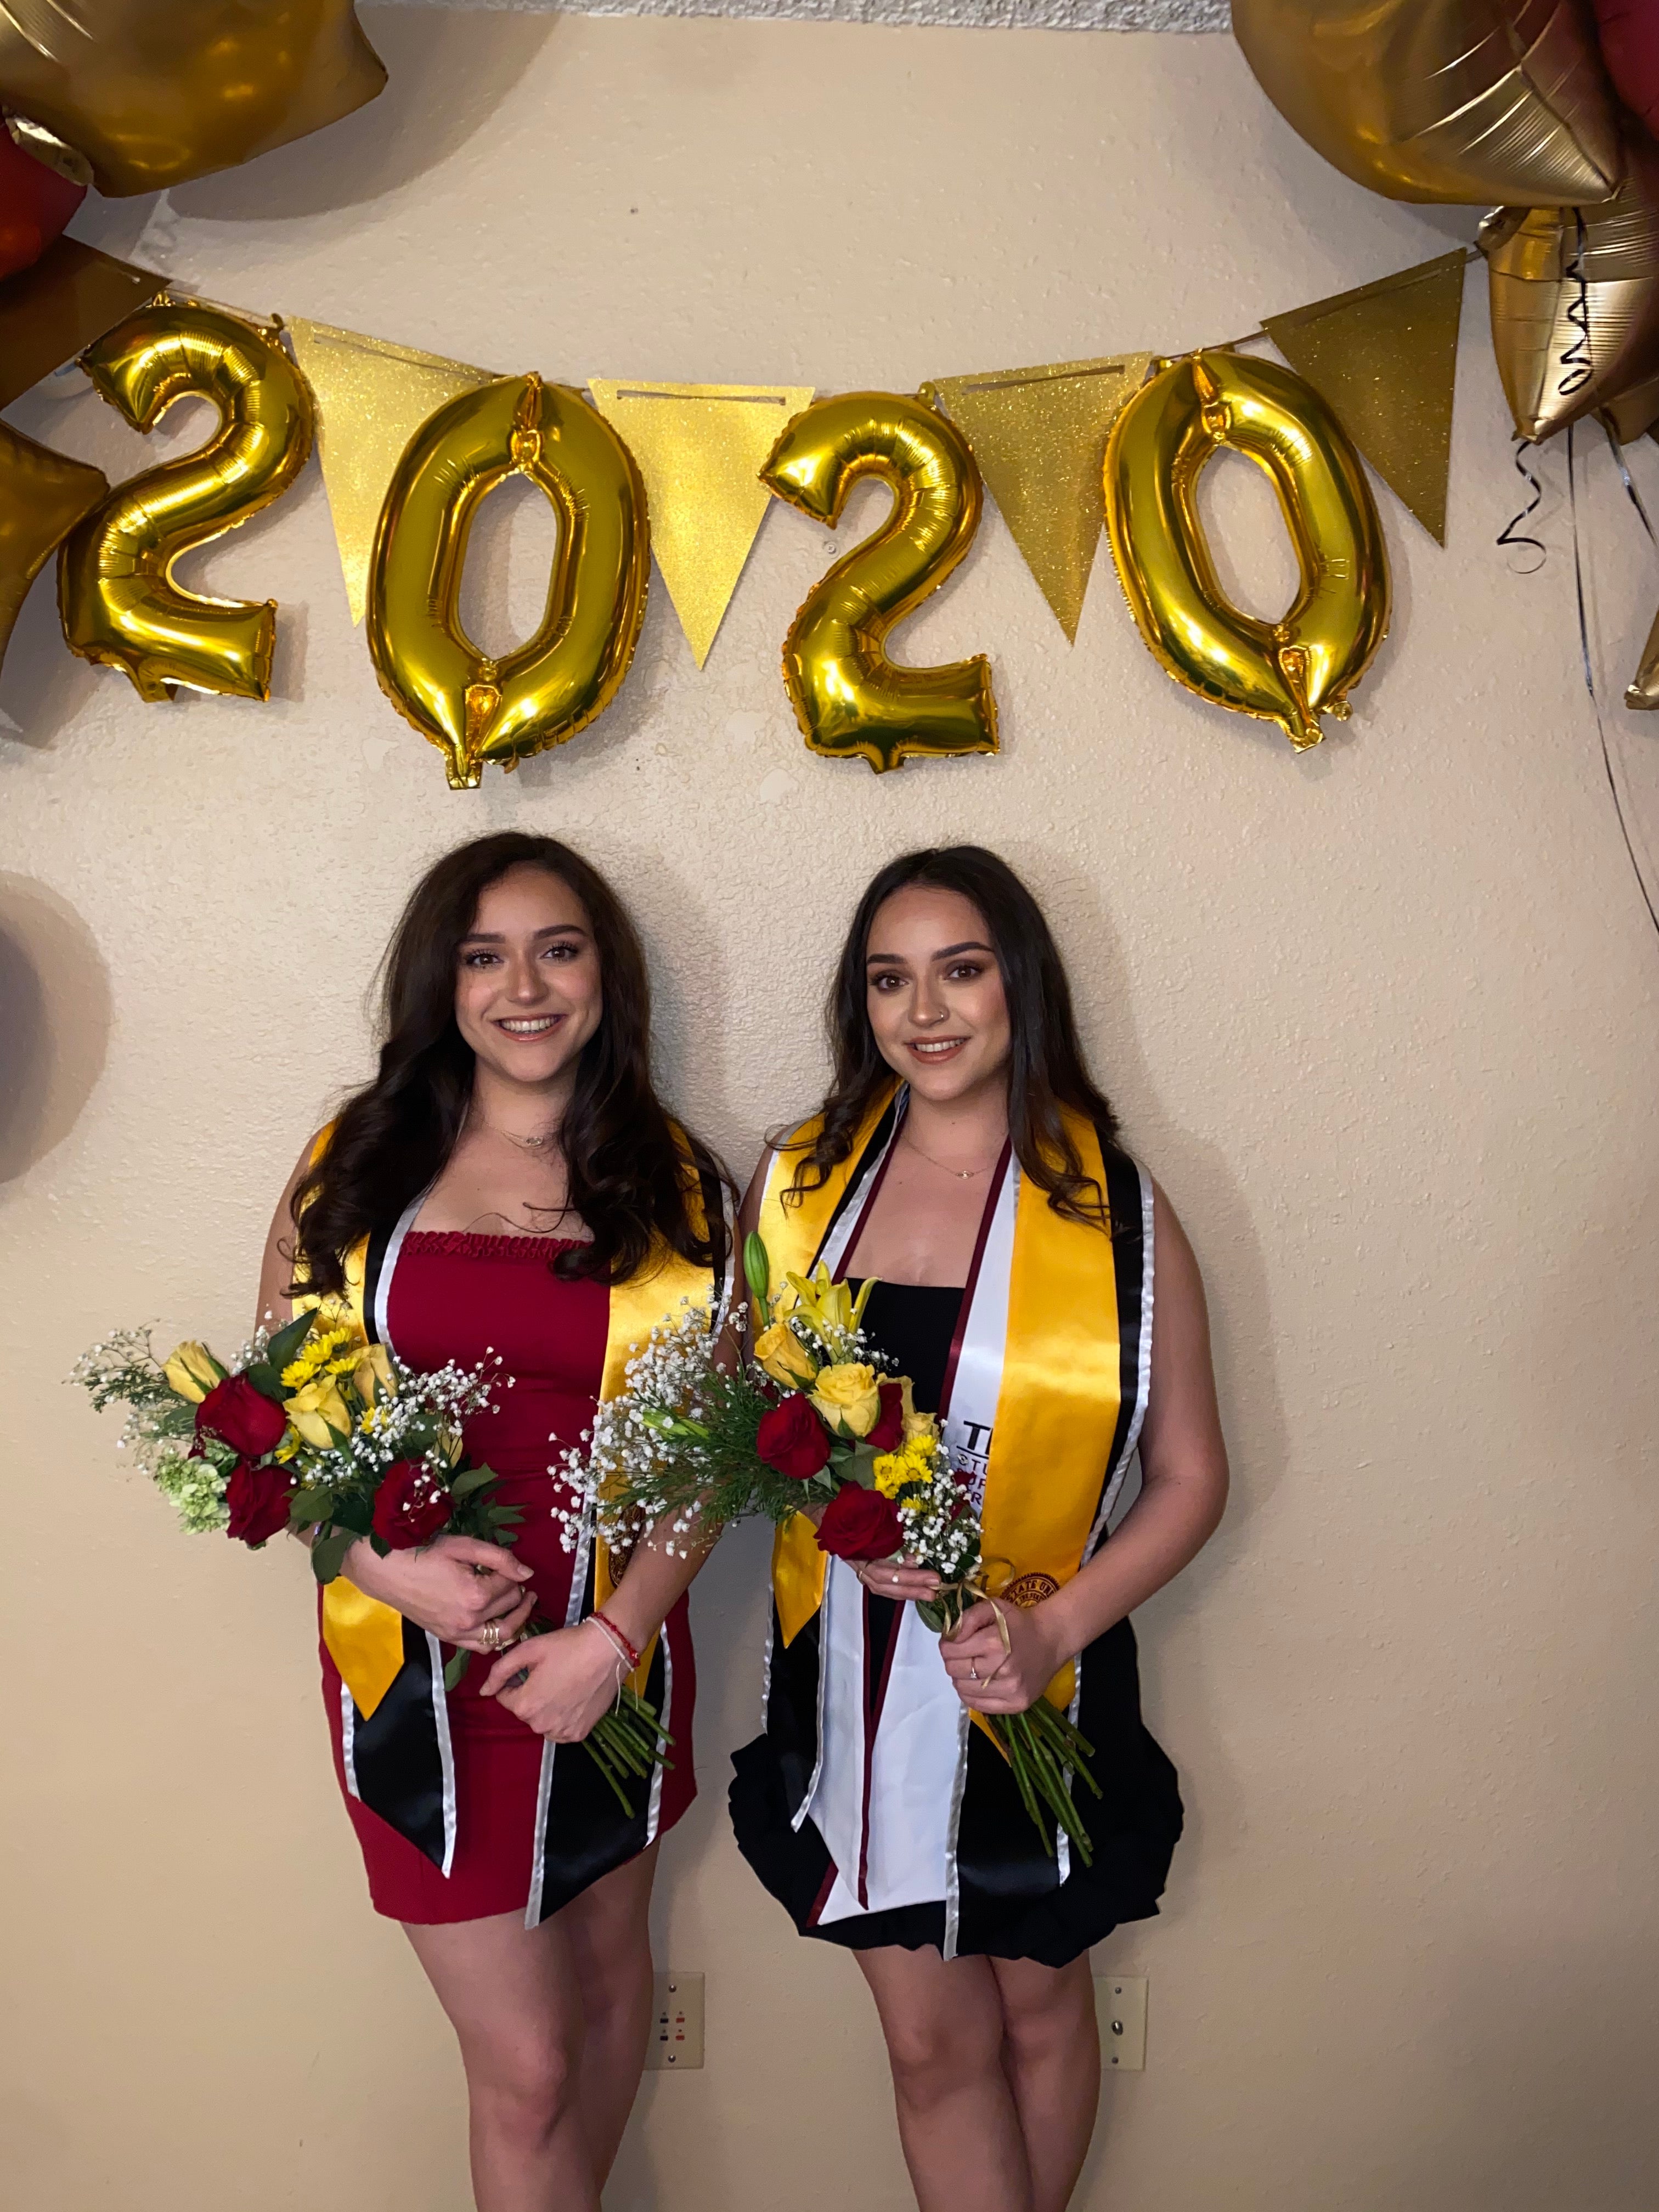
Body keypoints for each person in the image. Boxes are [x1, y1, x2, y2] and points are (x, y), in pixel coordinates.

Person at [729, 845, 1228, 2212]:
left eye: (961, 968)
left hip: (1039, 1666)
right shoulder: (797, 1188)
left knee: (1042, 2013)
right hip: (854, 1677)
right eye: (891, 979)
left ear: (1022, 984)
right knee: (929, 2040)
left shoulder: (1117, 1210)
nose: (926, 1010)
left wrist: (1056, 1621)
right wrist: (825, 1517)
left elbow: (1191, 1476)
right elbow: (741, 1427)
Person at [256, 831, 730, 2212]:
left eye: (558, 948)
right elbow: (274, 1428)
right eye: (484, 955)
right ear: (441, 983)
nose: (524, 985)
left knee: (598, 1998)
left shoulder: (682, 1182)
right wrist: (383, 1570)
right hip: (413, 1672)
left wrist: (617, 1639)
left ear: (605, 975)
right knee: (522, 2065)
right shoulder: (355, 1157)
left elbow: (716, 1454)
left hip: (608, 1663)